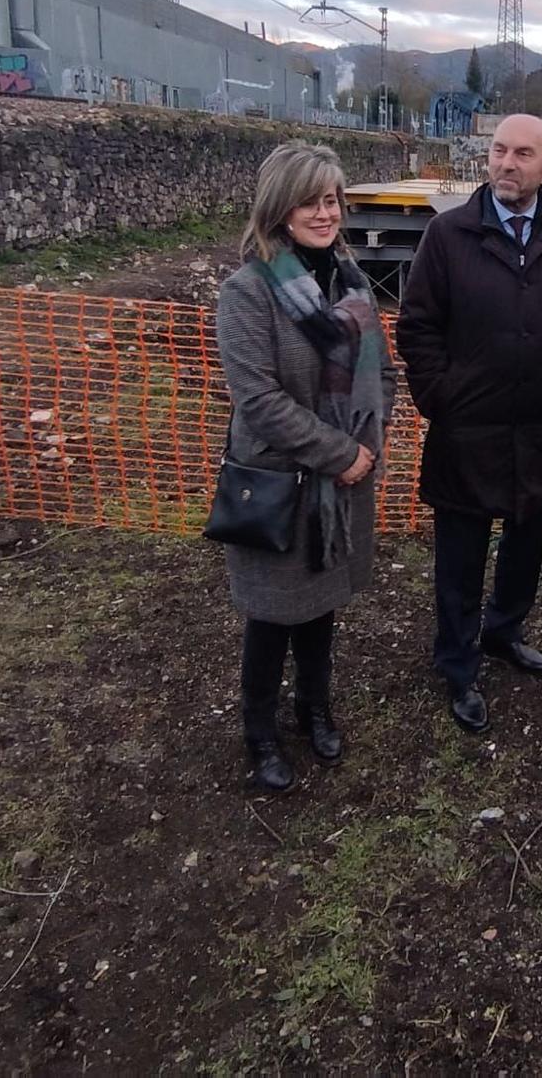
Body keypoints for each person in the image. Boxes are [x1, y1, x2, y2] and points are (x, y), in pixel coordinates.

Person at [396, 114, 542, 734]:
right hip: (467, 429)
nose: (506, 163)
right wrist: (441, 396)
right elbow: (417, 326)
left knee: (526, 545)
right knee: (460, 558)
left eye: (523, 153)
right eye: (499, 150)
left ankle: (504, 631)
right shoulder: (448, 234)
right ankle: (458, 663)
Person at [216, 142, 396, 791]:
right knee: (271, 615)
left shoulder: (349, 282)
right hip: (279, 482)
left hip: (345, 480)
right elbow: (258, 401)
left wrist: (376, 434)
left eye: (331, 201)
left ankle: (313, 707)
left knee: (323, 605)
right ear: (279, 206)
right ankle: (259, 731)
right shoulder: (247, 293)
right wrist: (340, 453)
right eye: (310, 201)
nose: (325, 214)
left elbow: (380, 372)